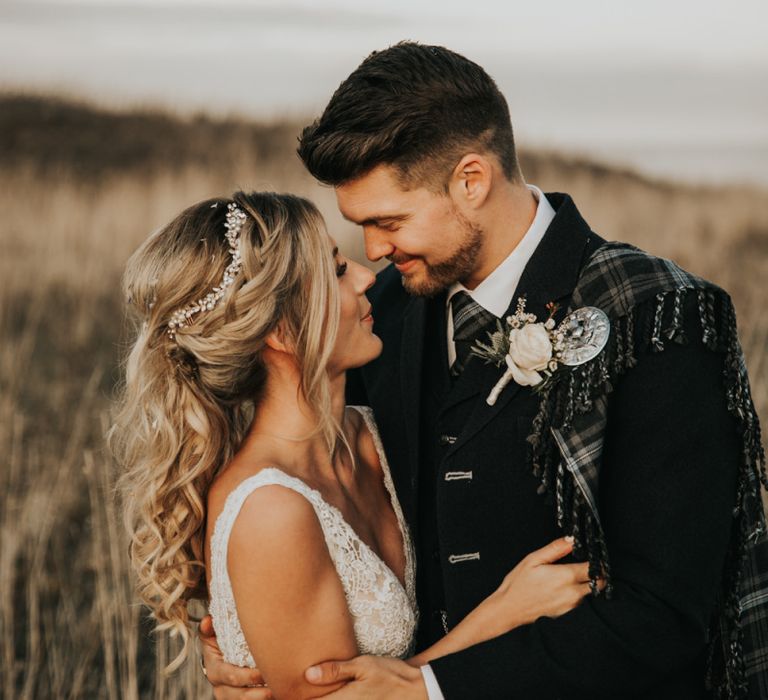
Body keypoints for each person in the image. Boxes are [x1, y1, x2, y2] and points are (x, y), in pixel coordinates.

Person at [200, 43, 768, 699]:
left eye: (388, 221)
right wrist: (252, 641)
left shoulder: (657, 316)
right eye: (360, 227)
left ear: (471, 180)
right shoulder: (373, 315)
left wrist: (433, 687)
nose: (374, 252)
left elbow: (664, 618)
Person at [111, 191, 598, 700]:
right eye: (338, 271)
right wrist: (505, 613)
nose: (368, 277)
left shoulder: (369, 433)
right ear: (280, 330)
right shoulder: (270, 511)